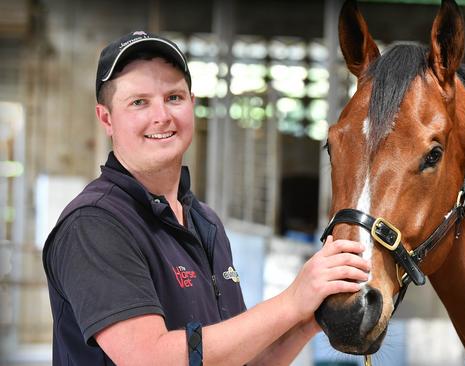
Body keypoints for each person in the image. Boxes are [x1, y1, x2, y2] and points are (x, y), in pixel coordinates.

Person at [42, 31, 370, 366]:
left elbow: (238, 361)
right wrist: (290, 301)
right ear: (106, 118)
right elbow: (150, 359)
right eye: (139, 102)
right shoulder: (94, 224)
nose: (162, 116)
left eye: (174, 97)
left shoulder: (204, 222)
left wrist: (309, 318)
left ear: (192, 105)